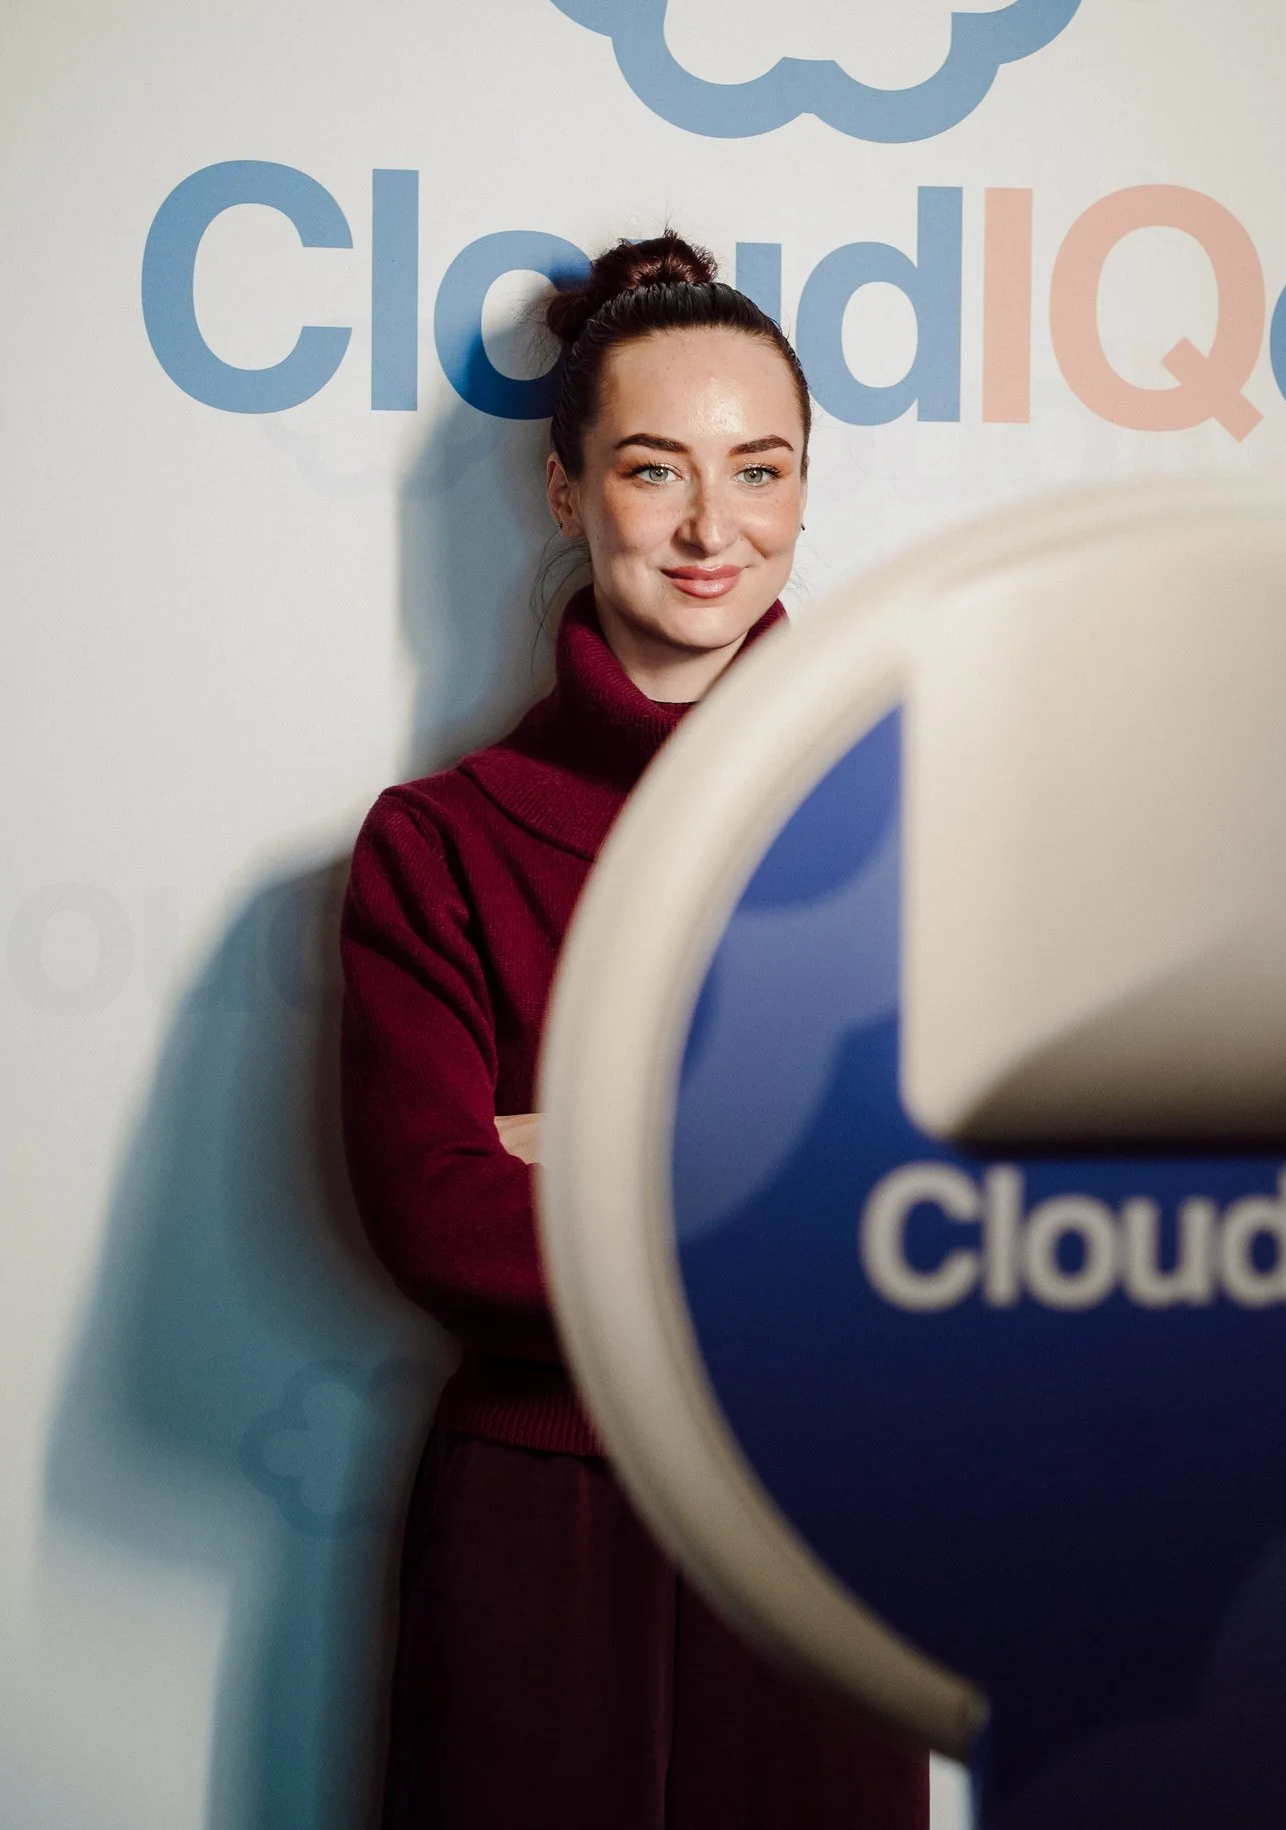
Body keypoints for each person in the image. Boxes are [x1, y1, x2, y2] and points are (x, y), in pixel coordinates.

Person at [338, 233, 930, 1829]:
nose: (707, 525)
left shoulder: (909, 822)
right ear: (564, 490)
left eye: (759, 469)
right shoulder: (435, 842)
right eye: (653, 467)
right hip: (540, 1524)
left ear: (806, 495)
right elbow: (437, 1214)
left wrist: (582, 1135)